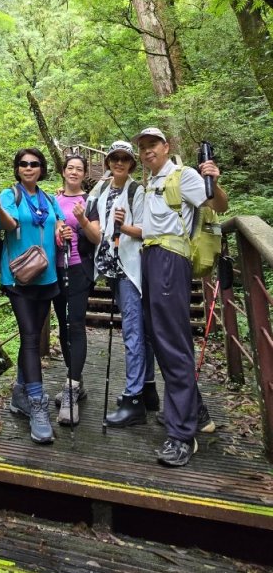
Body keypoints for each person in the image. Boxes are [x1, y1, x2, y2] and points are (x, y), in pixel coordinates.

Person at [135, 126, 228, 467]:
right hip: (151, 259)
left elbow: (218, 203)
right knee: (163, 341)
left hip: (171, 261)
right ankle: (196, 413)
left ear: (166, 146)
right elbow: (147, 228)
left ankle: (181, 434)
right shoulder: (152, 183)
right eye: (143, 147)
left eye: (153, 145)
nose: (147, 152)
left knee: (172, 344)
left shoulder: (183, 175)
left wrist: (213, 180)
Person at [0, 148, 64, 445]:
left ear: (41, 169)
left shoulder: (49, 199)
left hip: (47, 276)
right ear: (17, 169)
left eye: (34, 164)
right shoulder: (10, 195)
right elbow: (9, 225)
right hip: (19, 277)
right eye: (23, 164)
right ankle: (37, 404)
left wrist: (62, 232)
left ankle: (19, 395)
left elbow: (58, 224)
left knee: (31, 337)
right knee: (30, 335)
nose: (28, 168)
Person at [85, 141, 158, 427]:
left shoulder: (136, 190)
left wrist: (122, 225)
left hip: (129, 267)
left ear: (131, 164)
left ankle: (134, 399)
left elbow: (145, 229)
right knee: (138, 326)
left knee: (132, 331)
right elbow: (87, 210)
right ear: (108, 162)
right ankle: (148, 389)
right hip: (109, 267)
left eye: (124, 159)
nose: (118, 162)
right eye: (114, 158)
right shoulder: (102, 188)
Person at [53, 154, 99, 426]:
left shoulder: (90, 202)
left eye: (79, 169)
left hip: (79, 269)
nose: (74, 172)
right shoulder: (52, 200)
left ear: (84, 174)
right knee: (62, 325)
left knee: (76, 325)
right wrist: (58, 234)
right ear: (63, 171)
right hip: (55, 270)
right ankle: (76, 381)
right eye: (70, 167)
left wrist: (81, 221)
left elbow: (96, 237)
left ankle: (70, 388)